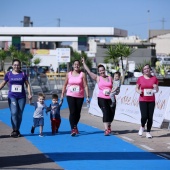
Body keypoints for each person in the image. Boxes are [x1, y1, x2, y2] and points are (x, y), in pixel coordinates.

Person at [82, 58, 117, 136]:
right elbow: (89, 72)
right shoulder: (98, 78)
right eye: (100, 71)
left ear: (105, 70)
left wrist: (115, 91)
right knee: (105, 112)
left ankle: (109, 125)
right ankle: (106, 129)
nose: (102, 72)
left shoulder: (110, 78)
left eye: (103, 70)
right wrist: (84, 63)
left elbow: (115, 87)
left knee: (111, 114)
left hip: (111, 98)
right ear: (98, 71)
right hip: (102, 98)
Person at [0, 59, 32, 137]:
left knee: (19, 114)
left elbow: (27, 84)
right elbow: (3, 83)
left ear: (20, 66)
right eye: (15, 65)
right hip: (12, 96)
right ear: (12, 65)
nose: (16, 66)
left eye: (17, 65)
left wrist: (30, 93)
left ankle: (17, 129)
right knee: (14, 113)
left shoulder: (23, 74)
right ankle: (14, 129)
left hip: (22, 97)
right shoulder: (9, 74)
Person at [61, 60, 89, 136]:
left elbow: (85, 85)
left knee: (78, 113)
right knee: (72, 111)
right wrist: (62, 94)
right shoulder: (69, 74)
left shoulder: (82, 74)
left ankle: (75, 125)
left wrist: (87, 96)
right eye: (75, 64)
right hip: (70, 95)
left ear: (79, 66)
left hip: (80, 96)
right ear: (73, 65)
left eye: (78, 64)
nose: (76, 65)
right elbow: (64, 85)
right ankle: (73, 128)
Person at [136, 64, 159, 138]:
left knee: (150, 117)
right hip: (142, 99)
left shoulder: (154, 78)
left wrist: (156, 87)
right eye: (145, 69)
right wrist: (139, 91)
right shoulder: (140, 78)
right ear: (143, 71)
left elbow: (157, 90)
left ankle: (148, 132)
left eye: (148, 68)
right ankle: (142, 127)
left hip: (151, 100)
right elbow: (136, 88)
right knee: (144, 116)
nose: (146, 70)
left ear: (150, 69)